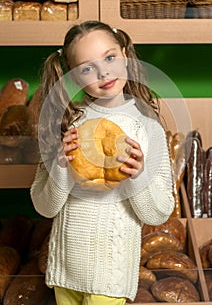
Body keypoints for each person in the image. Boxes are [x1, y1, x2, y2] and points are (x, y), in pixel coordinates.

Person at [30, 20, 174, 305]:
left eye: (110, 58)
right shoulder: (66, 125)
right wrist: (60, 168)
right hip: (65, 272)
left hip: (110, 276)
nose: (103, 72)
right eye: (87, 68)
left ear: (124, 54)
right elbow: (44, 207)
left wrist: (139, 177)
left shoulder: (147, 130)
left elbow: (158, 214)